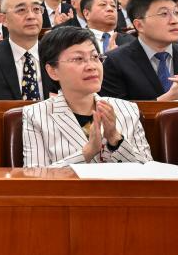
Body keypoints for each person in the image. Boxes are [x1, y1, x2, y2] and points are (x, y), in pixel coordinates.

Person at [22, 26, 152, 167]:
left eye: (95, 57)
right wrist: (87, 152)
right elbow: (35, 176)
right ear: (53, 71)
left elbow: (148, 171)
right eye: (78, 59)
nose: (91, 66)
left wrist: (115, 139)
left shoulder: (128, 110)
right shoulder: (36, 115)